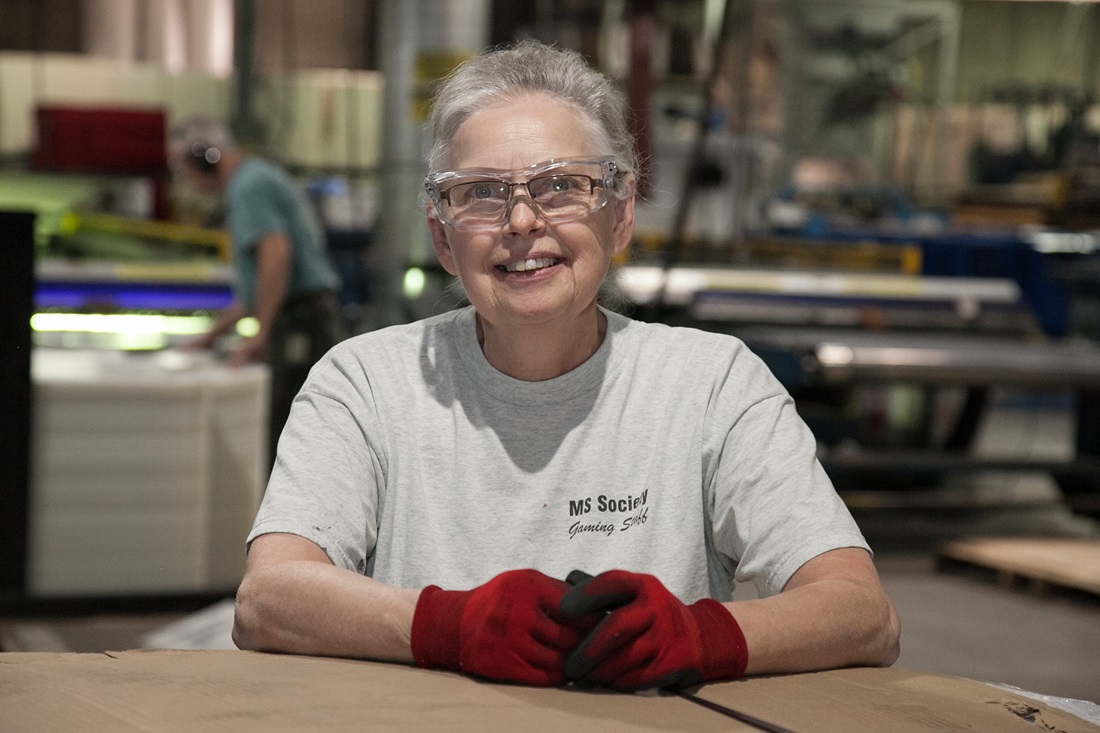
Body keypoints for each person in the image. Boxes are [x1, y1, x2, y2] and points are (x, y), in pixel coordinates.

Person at [232, 40, 900, 691]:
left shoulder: (712, 385)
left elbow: (863, 613)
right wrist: (449, 624)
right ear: (442, 235)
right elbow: (267, 597)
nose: (521, 221)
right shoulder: (365, 383)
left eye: (562, 187)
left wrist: (703, 635)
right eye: (482, 192)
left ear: (621, 214)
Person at [169, 117, 345, 470]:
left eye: (183, 169)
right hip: (300, 315)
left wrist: (261, 333)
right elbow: (257, 289)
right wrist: (211, 336)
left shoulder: (247, 187)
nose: (186, 182)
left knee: (293, 435)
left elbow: (276, 254)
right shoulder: (254, 179)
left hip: (300, 322)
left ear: (206, 158)